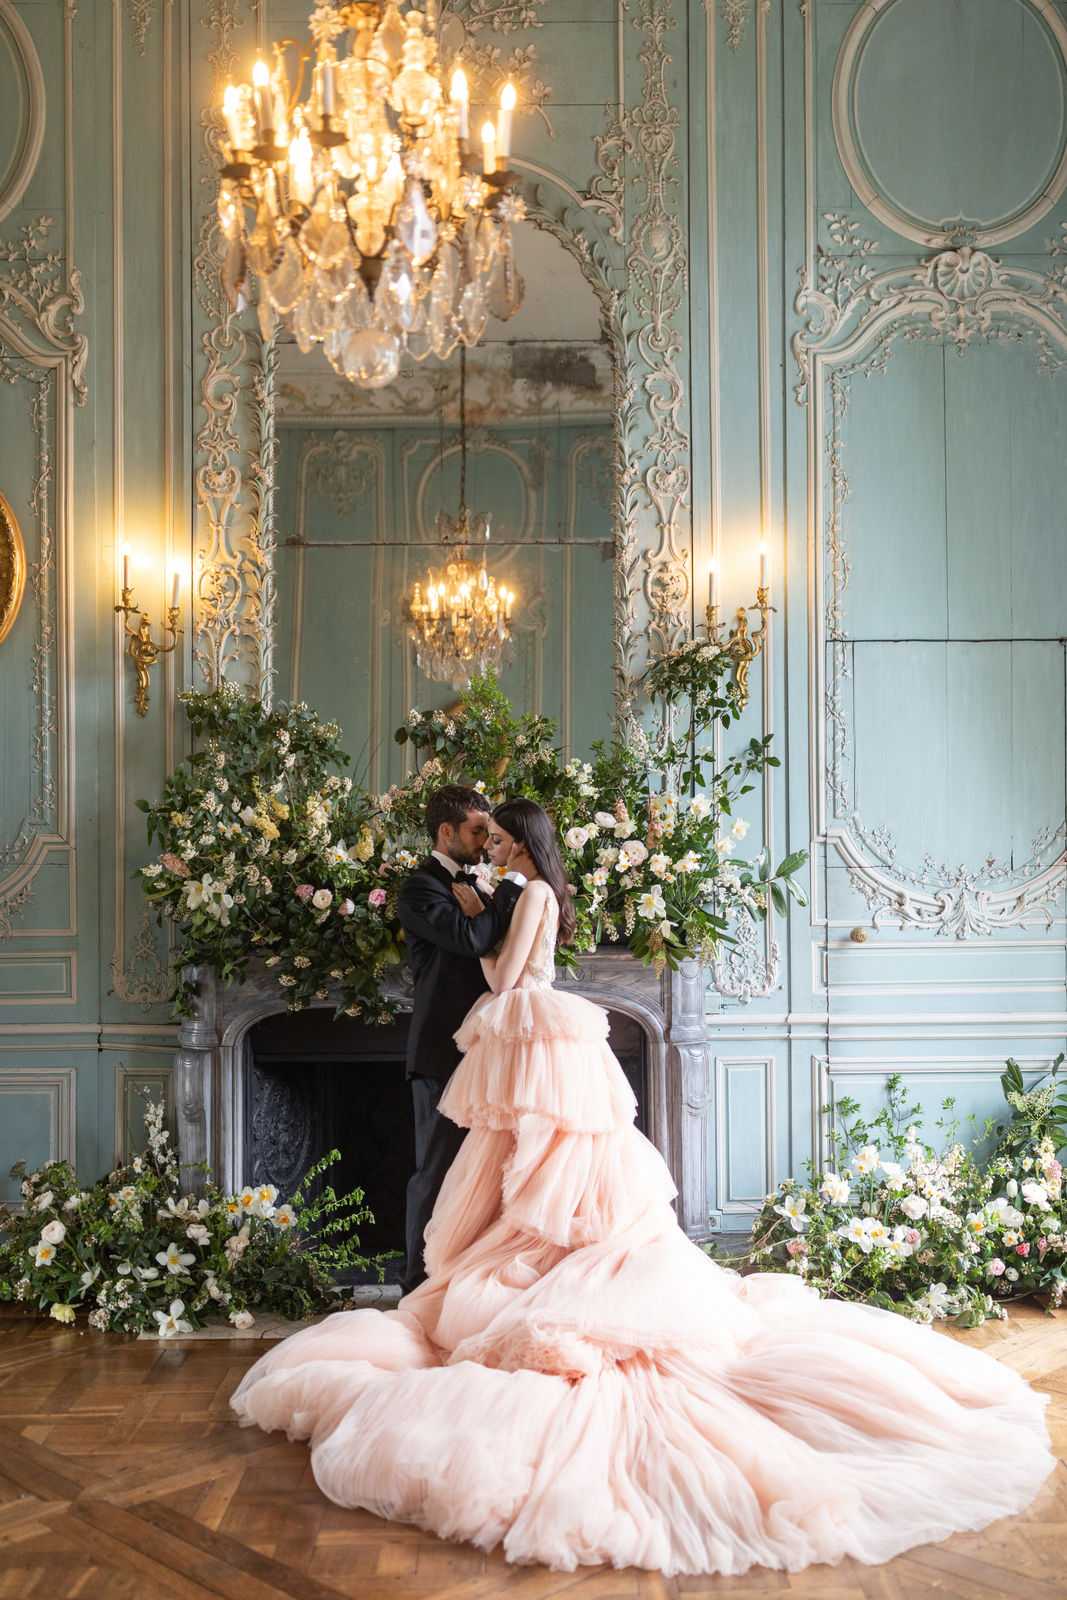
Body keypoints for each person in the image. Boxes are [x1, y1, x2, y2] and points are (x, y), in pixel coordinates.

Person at [232, 797, 1053, 1577]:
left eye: (498, 839)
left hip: (525, 1030)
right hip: (542, 1033)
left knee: (528, 1164)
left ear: (515, 842)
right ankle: (544, 1270)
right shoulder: (534, 890)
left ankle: (530, 1281)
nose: (490, 849)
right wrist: (490, 906)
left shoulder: (523, 893)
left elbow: (496, 980)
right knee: (557, 1163)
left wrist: (489, 913)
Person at [394, 784, 528, 1295]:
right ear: (446, 831)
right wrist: (513, 885)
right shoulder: (419, 889)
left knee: (481, 1173)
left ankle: (465, 1281)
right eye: (477, 831)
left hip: (484, 1051)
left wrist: (490, 900)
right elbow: (473, 940)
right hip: (440, 1051)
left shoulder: (478, 887)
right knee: (434, 1170)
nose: (484, 841)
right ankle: (413, 1285)